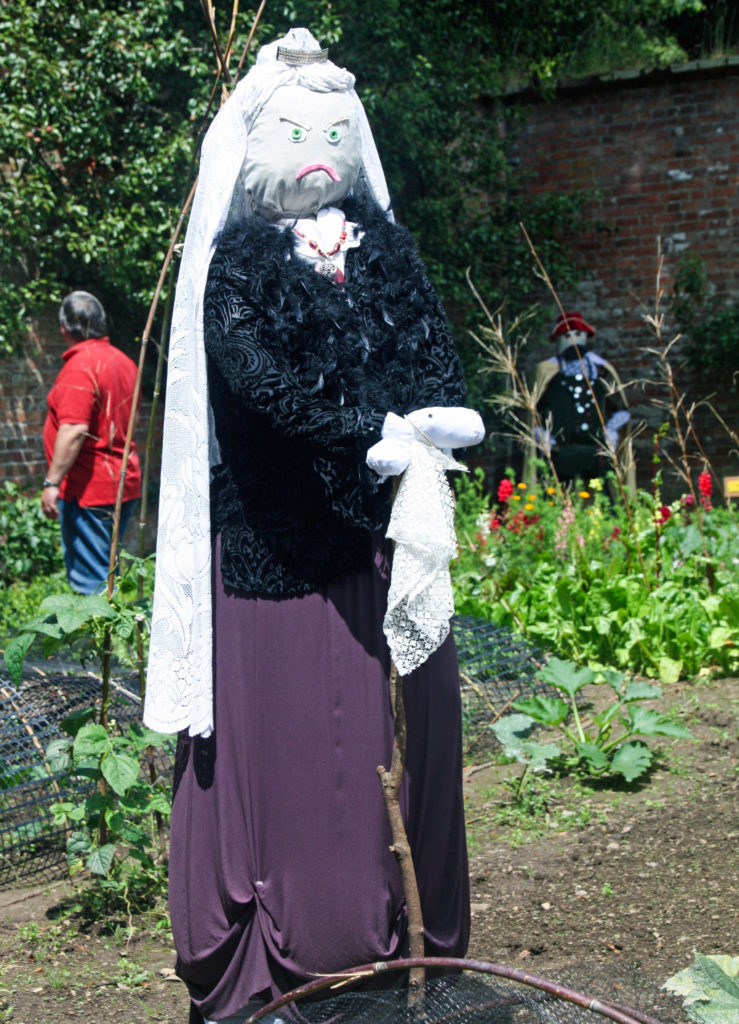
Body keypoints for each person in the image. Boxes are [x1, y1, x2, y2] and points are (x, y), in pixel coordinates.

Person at [143, 29, 483, 1024]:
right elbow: (252, 380)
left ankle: (402, 931)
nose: (319, 149)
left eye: (332, 130)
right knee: (305, 755)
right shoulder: (238, 265)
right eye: (299, 133)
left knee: (390, 741)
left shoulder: (380, 246)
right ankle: (296, 948)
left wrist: (435, 415)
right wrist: (362, 432)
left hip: (378, 544)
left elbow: (422, 340)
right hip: (276, 553)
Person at [41, 290, 141, 593]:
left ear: (64, 328)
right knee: (109, 570)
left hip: (90, 489)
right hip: (122, 481)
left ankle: (101, 641)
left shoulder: (80, 367)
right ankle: (120, 635)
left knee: (92, 580)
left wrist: (51, 483)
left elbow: (73, 429)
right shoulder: (123, 362)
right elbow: (132, 421)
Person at [525, 310, 635, 492]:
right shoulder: (546, 371)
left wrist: (611, 432)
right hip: (559, 453)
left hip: (597, 452)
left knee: (602, 500)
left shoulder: (601, 371)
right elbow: (533, 411)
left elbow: (620, 409)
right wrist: (543, 436)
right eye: (567, 335)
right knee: (557, 499)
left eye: (577, 334)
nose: (572, 340)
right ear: (559, 338)